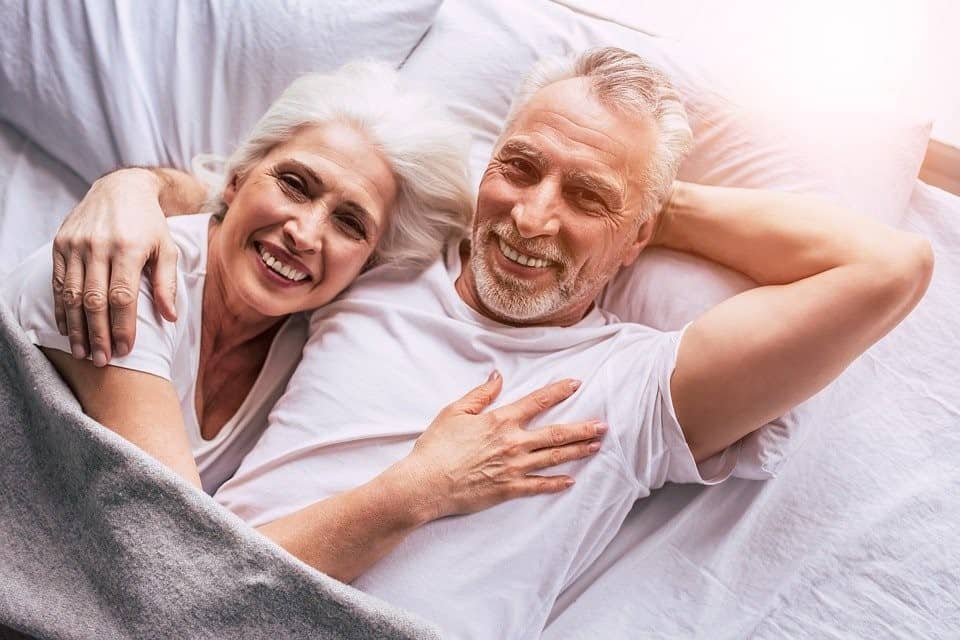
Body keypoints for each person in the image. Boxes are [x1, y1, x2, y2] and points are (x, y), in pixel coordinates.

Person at [52, 47, 934, 638]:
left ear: (639, 239)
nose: (532, 214)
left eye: (585, 199)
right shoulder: (380, 261)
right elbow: (247, 195)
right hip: (189, 609)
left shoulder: (636, 386)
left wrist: (656, 202)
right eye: (518, 166)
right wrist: (128, 185)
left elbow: (888, 267)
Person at [3, 61, 609, 585]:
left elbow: (496, 219)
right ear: (238, 177)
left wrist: (631, 212)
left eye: (351, 224)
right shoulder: (124, 271)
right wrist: (424, 487)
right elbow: (180, 559)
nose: (305, 232)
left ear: (368, 263)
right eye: (294, 184)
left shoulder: (308, 334)